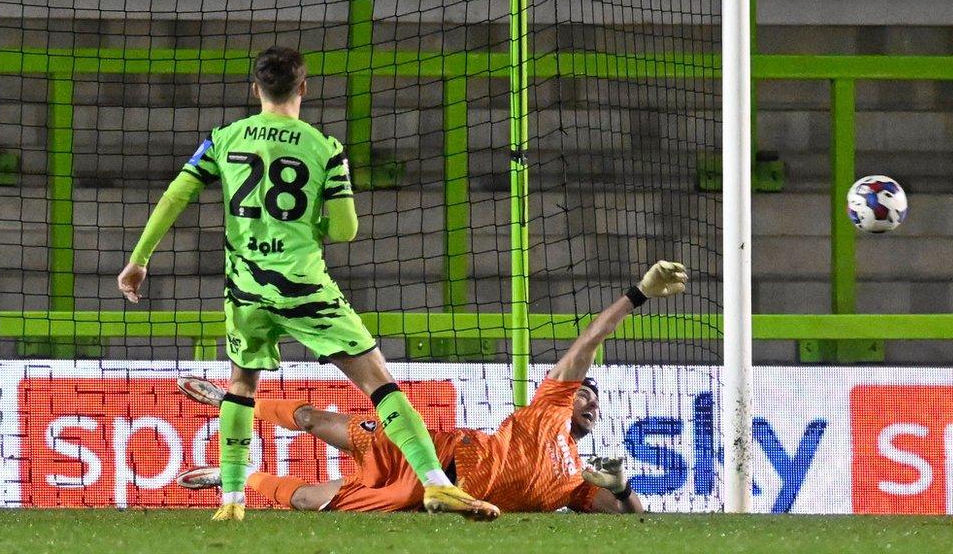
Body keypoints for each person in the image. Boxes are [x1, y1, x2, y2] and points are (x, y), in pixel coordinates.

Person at [117, 46, 498, 521]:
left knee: (241, 384)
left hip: (247, 290)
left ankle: (232, 501)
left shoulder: (223, 138)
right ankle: (436, 484)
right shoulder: (324, 148)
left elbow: (176, 195)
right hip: (305, 288)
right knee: (378, 383)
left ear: (255, 89)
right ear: (303, 87)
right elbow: (345, 230)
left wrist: (138, 260)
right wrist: (308, 220)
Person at [175, 261, 688, 514]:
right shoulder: (549, 407)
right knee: (313, 420)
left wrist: (621, 487)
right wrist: (639, 294)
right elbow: (592, 337)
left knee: (312, 501)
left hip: (430, 496)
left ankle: (236, 474)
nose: (590, 401)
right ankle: (232, 399)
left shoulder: (577, 482)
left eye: (595, 401)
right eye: (585, 392)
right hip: (432, 451)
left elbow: (626, 521)